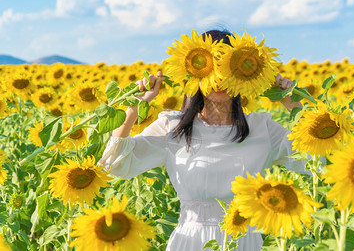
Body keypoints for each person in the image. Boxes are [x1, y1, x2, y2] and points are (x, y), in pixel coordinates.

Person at [98, 30, 305, 251]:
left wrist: (296, 110)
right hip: (190, 241)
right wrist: (132, 110)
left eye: (228, 67)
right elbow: (114, 166)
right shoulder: (173, 127)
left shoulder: (262, 129)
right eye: (210, 67)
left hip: (245, 242)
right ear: (193, 73)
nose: (218, 78)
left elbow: (314, 164)